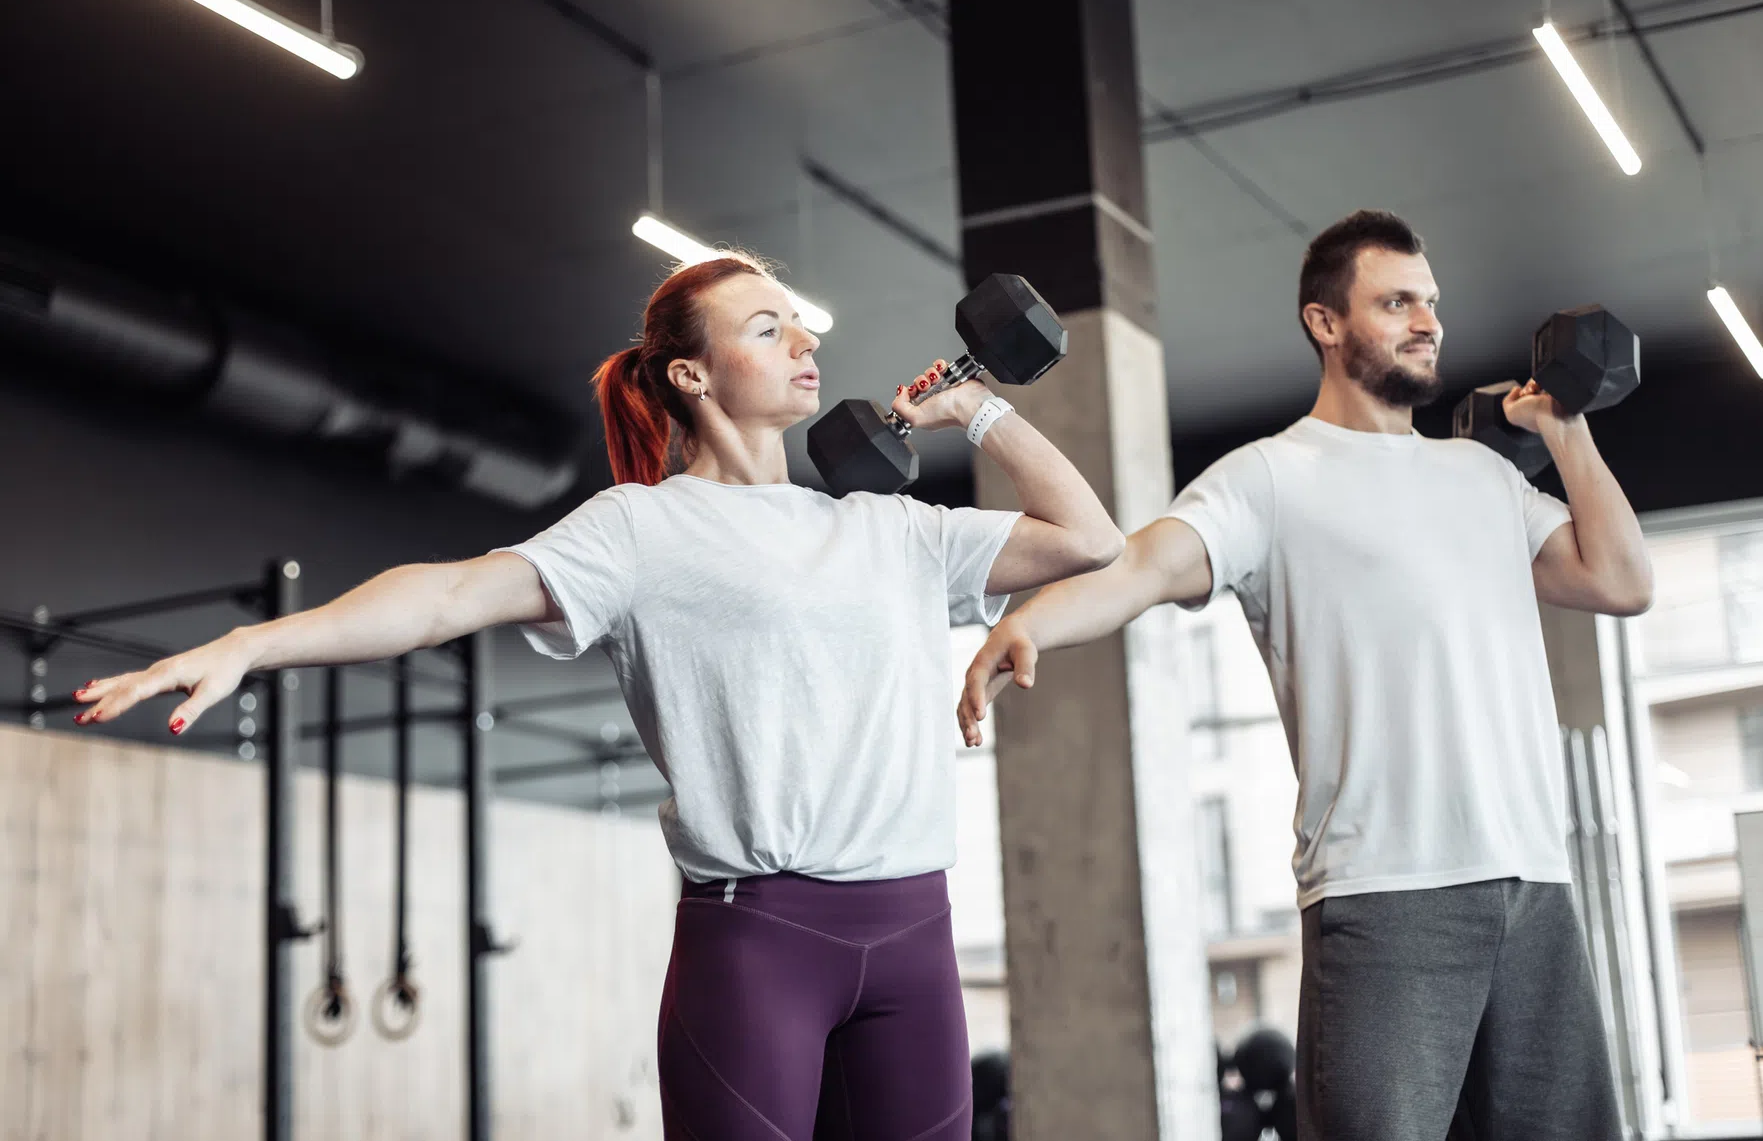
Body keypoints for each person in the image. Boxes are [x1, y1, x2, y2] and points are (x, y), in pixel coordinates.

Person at [73, 252, 1125, 1140]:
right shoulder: (637, 530)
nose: (804, 341)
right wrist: (252, 644)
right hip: (760, 944)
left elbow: (1089, 538)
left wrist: (974, 409)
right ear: (692, 374)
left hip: (915, 937)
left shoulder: (888, 530)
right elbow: (445, 596)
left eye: (799, 325)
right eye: (767, 328)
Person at [957, 210, 1653, 1141]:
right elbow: (1142, 566)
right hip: (1385, 889)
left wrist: (1563, 430)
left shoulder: (1483, 477)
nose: (1427, 321)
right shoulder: (1268, 479)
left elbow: (1620, 580)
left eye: (1430, 302)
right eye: (1395, 302)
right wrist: (1029, 620)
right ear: (1324, 322)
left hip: (1533, 881)